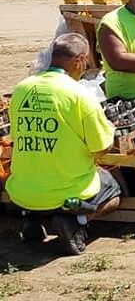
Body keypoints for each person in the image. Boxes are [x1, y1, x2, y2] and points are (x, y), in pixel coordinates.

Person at [6, 33, 120, 255]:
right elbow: (101, 148)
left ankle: (32, 217)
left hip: (20, 191)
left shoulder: (21, 89)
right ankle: (76, 220)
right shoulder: (80, 94)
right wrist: (110, 132)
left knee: (42, 176)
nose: (85, 66)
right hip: (66, 193)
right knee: (113, 190)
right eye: (85, 61)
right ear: (78, 60)